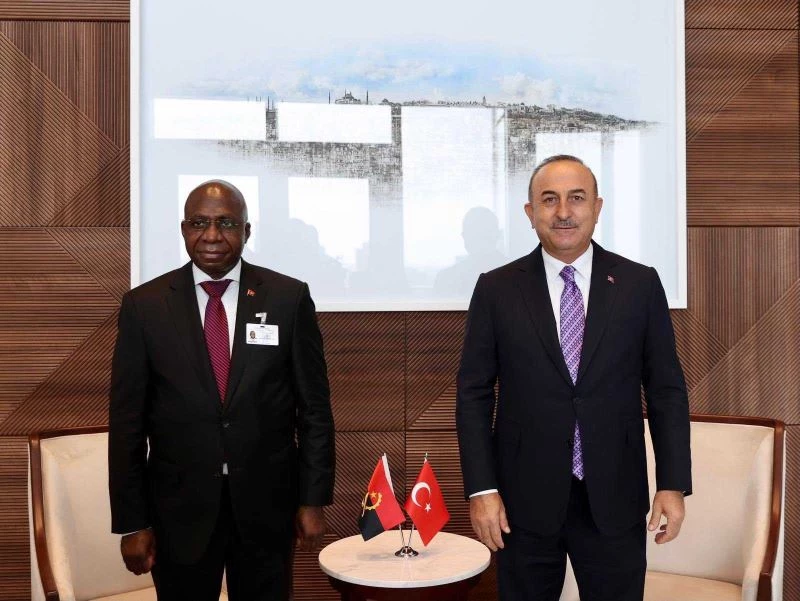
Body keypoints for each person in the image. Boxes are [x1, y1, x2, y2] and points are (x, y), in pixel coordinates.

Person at [456, 155, 691, 601]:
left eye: (576, 198)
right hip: (522, 502)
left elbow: (666, 390)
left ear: (597, 208)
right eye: (549, 200)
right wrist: (482, 489)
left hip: (615, 496)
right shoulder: (496, 288)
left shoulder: (639, 284)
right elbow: (473, 395)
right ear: (531, 213)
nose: (563, 212)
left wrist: (672, 483)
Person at [109, 180, 335, 601]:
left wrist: (312, 499)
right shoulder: (145, 306)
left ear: (246, 231)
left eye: (226, 223)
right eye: (199, 223)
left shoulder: (287, 298)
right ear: (183, 229)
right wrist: (132, 522)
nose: (212, 235)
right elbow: (127, 425)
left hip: (267, 507)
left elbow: (314, 410)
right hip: (178, 511)